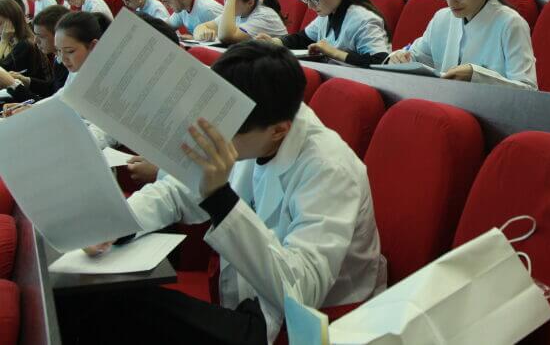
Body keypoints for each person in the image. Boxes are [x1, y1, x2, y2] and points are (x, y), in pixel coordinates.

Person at [61, 40, 385, 345]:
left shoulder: (330, 170)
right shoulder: (252, 125)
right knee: (96, 298)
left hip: (308, 319)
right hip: (251, 294)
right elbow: (176, 192)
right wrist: (117, 223)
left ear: (278, 131)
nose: (215, 137)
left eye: (225, 132)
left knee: (122, 309)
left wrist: (219, 197)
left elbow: (300, 292)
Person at [387, 0, 536, 89]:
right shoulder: (441, 18)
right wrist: (400, 57)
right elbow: (415, 54)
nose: (451, 1)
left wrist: (477, 76)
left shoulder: (511, 24)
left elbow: (528, 89)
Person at [0, 5, 69, 102]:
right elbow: (53, 87)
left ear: (58, 36)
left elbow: (54, 105)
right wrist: (27, 81)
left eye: (41, 36)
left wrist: (13, 85)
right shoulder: (59, 58)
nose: (35, 41)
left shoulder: (25, 45)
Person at [194, 0, 285, 44]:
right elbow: (200, 27)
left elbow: (226, 37)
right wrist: (203, 34)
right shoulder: (239, 11)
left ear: (250, 3)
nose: (227, 4)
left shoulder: (264, 15)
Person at [0, 0, 49, 81]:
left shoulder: (25, 44)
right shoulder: (10, 39)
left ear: (12, 21)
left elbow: (2, 71)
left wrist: (4, 41)